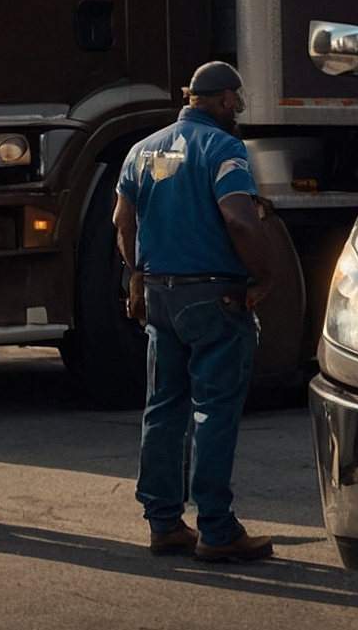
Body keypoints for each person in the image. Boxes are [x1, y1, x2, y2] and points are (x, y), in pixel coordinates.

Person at [116, 61, 276, 563]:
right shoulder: (223, 148)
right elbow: (239, 220)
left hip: (161, 294)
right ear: (226, 99)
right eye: (237, 101)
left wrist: (137, 272)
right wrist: (263, 276)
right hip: (213, 297)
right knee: (214, 411)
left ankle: (164, 523)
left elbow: (122, 220)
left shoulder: (142, 149)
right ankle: (217, 528)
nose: (238, 110)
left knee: (164, 407)